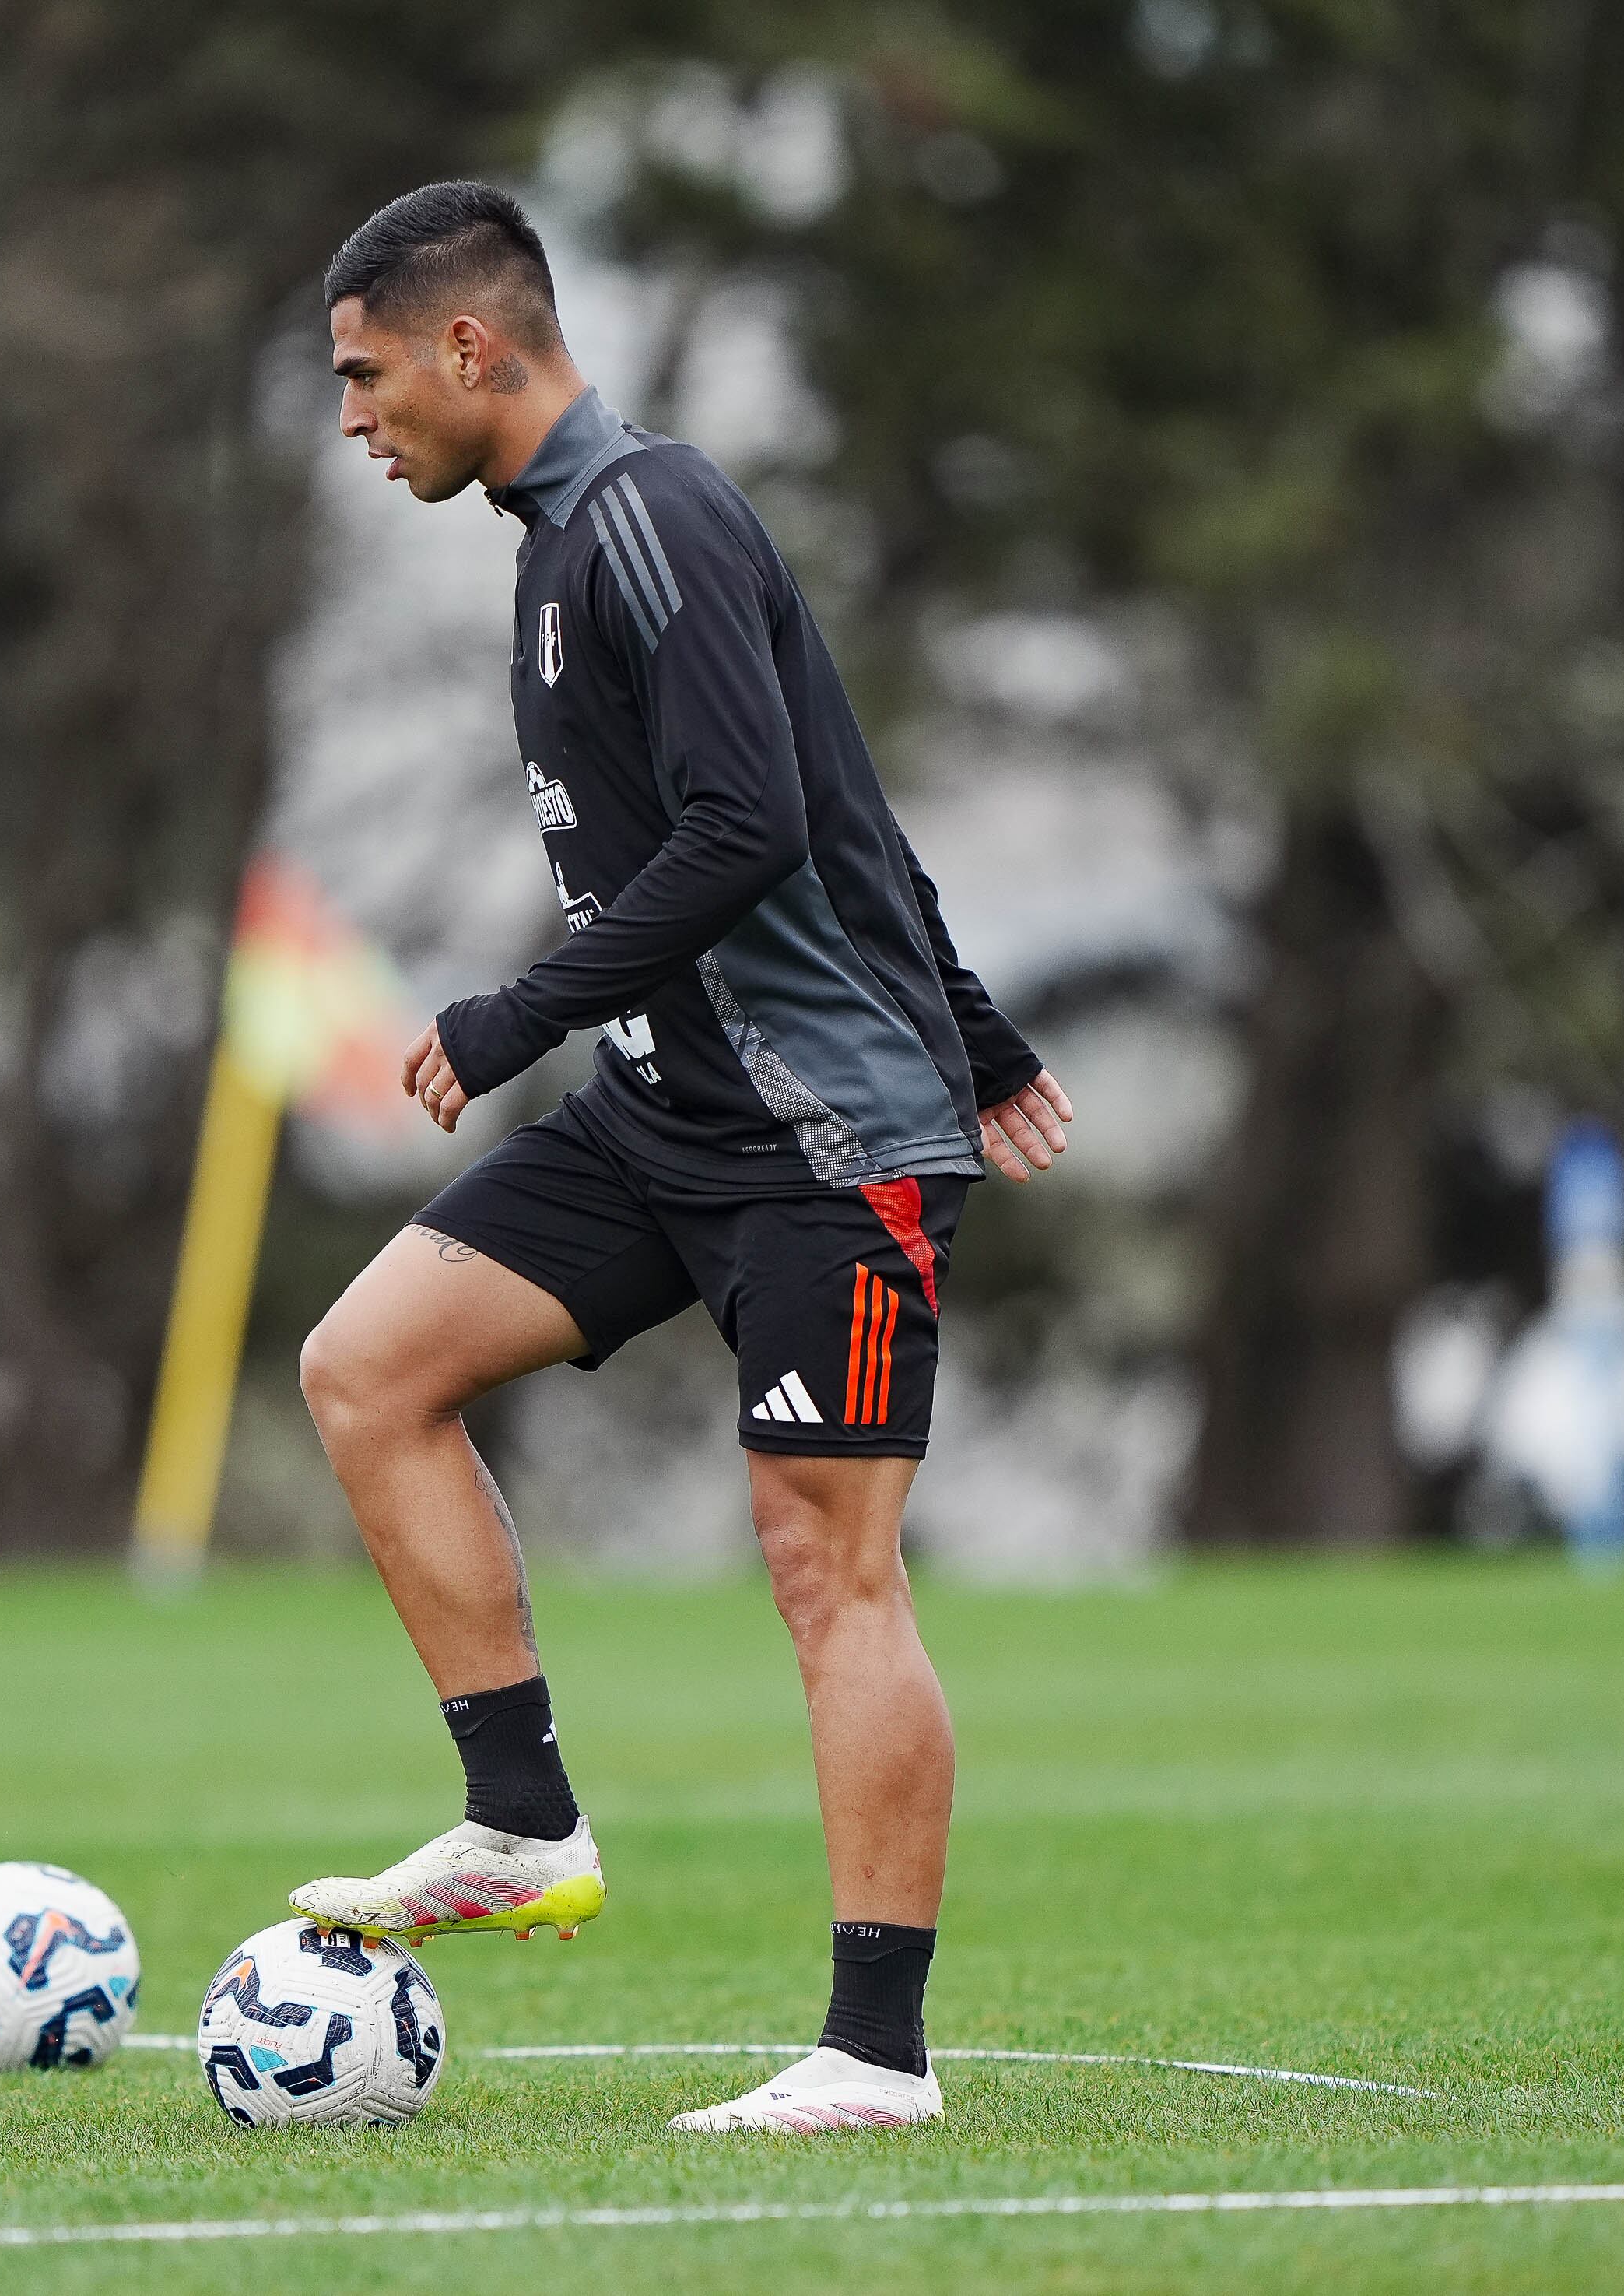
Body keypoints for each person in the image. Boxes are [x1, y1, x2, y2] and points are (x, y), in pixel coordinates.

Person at [289, 185, 1075, 2135]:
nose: (350, 416)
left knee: (829, 1569)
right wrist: (972, 1021)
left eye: (363, 373)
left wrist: (509, 1014)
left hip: (825, 1143)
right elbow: (833, 782)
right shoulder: (563, 541)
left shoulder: (649, 517)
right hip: (669, 1113)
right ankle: (519, 1817)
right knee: (365, 1368)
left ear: (472, 349)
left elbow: (749, 822)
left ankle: (873, 2059)